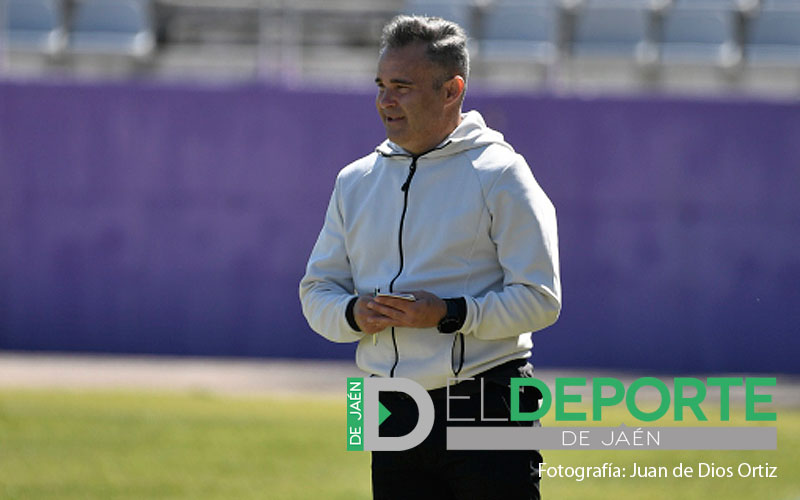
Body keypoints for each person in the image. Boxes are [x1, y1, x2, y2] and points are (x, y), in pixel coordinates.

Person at [299, 14, 561, 500]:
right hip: (386, 403)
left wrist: (448, 314)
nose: (385, 100)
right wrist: (353, 314)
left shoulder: (502, 174)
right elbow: (316, 292)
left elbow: (542, 299)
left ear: (452, 90)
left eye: (402, 86)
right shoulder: (354, 181)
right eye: (380, 85)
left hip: (488, 399)